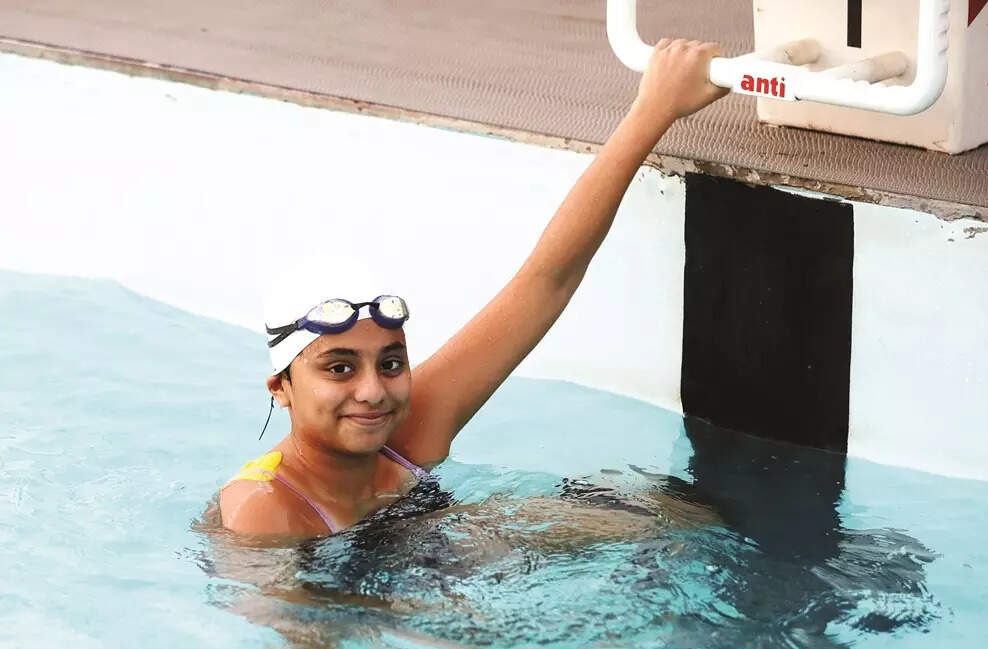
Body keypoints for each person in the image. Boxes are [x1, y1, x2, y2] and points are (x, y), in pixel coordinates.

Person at [220, 39, 729, 539]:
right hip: (389, 602)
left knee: (676, 516)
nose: (373, 391)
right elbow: (304, 623)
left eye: (392, 363)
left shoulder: (403, 432)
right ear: (281, 388)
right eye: (339, 367)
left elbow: (546, 280)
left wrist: (654, 108)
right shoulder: (264, 510)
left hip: (436, 554)